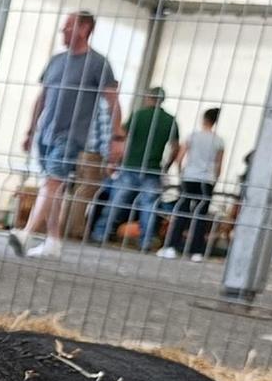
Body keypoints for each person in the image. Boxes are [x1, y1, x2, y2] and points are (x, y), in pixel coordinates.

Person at [9, 11, 123, 258]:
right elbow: (42, 96)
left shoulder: (98, 63)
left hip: (72, 135)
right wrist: (31, 130)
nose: (63, 32)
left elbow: (113, 100)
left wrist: (116, 136)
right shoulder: (56, 61)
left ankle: (26, 232)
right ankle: (53, 241)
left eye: (68, 27)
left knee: (51, 182)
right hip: (46, 131)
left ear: (84, 29)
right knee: (53, 187)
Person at [96, 86, 178, 249]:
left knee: (116, 202)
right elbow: (175, 146)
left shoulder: (138, 115)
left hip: (131, 165)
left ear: (148, 97)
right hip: (152, 168)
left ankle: (100, 233)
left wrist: (115, 160)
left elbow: (122, 138)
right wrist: (167, 165)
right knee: (148, 207)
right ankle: (146, 241)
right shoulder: (170, 120)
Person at [163, 107, 227, 259]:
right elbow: (219, 164)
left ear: (203, 119)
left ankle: (172, 246)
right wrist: (215, 179)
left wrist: (180, 172)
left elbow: (180, 158)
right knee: (201, 215)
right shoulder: (219, 141)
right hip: (207, 180)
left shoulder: (192, 136)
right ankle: (196, 251)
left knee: (182, 211)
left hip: (190, 177)